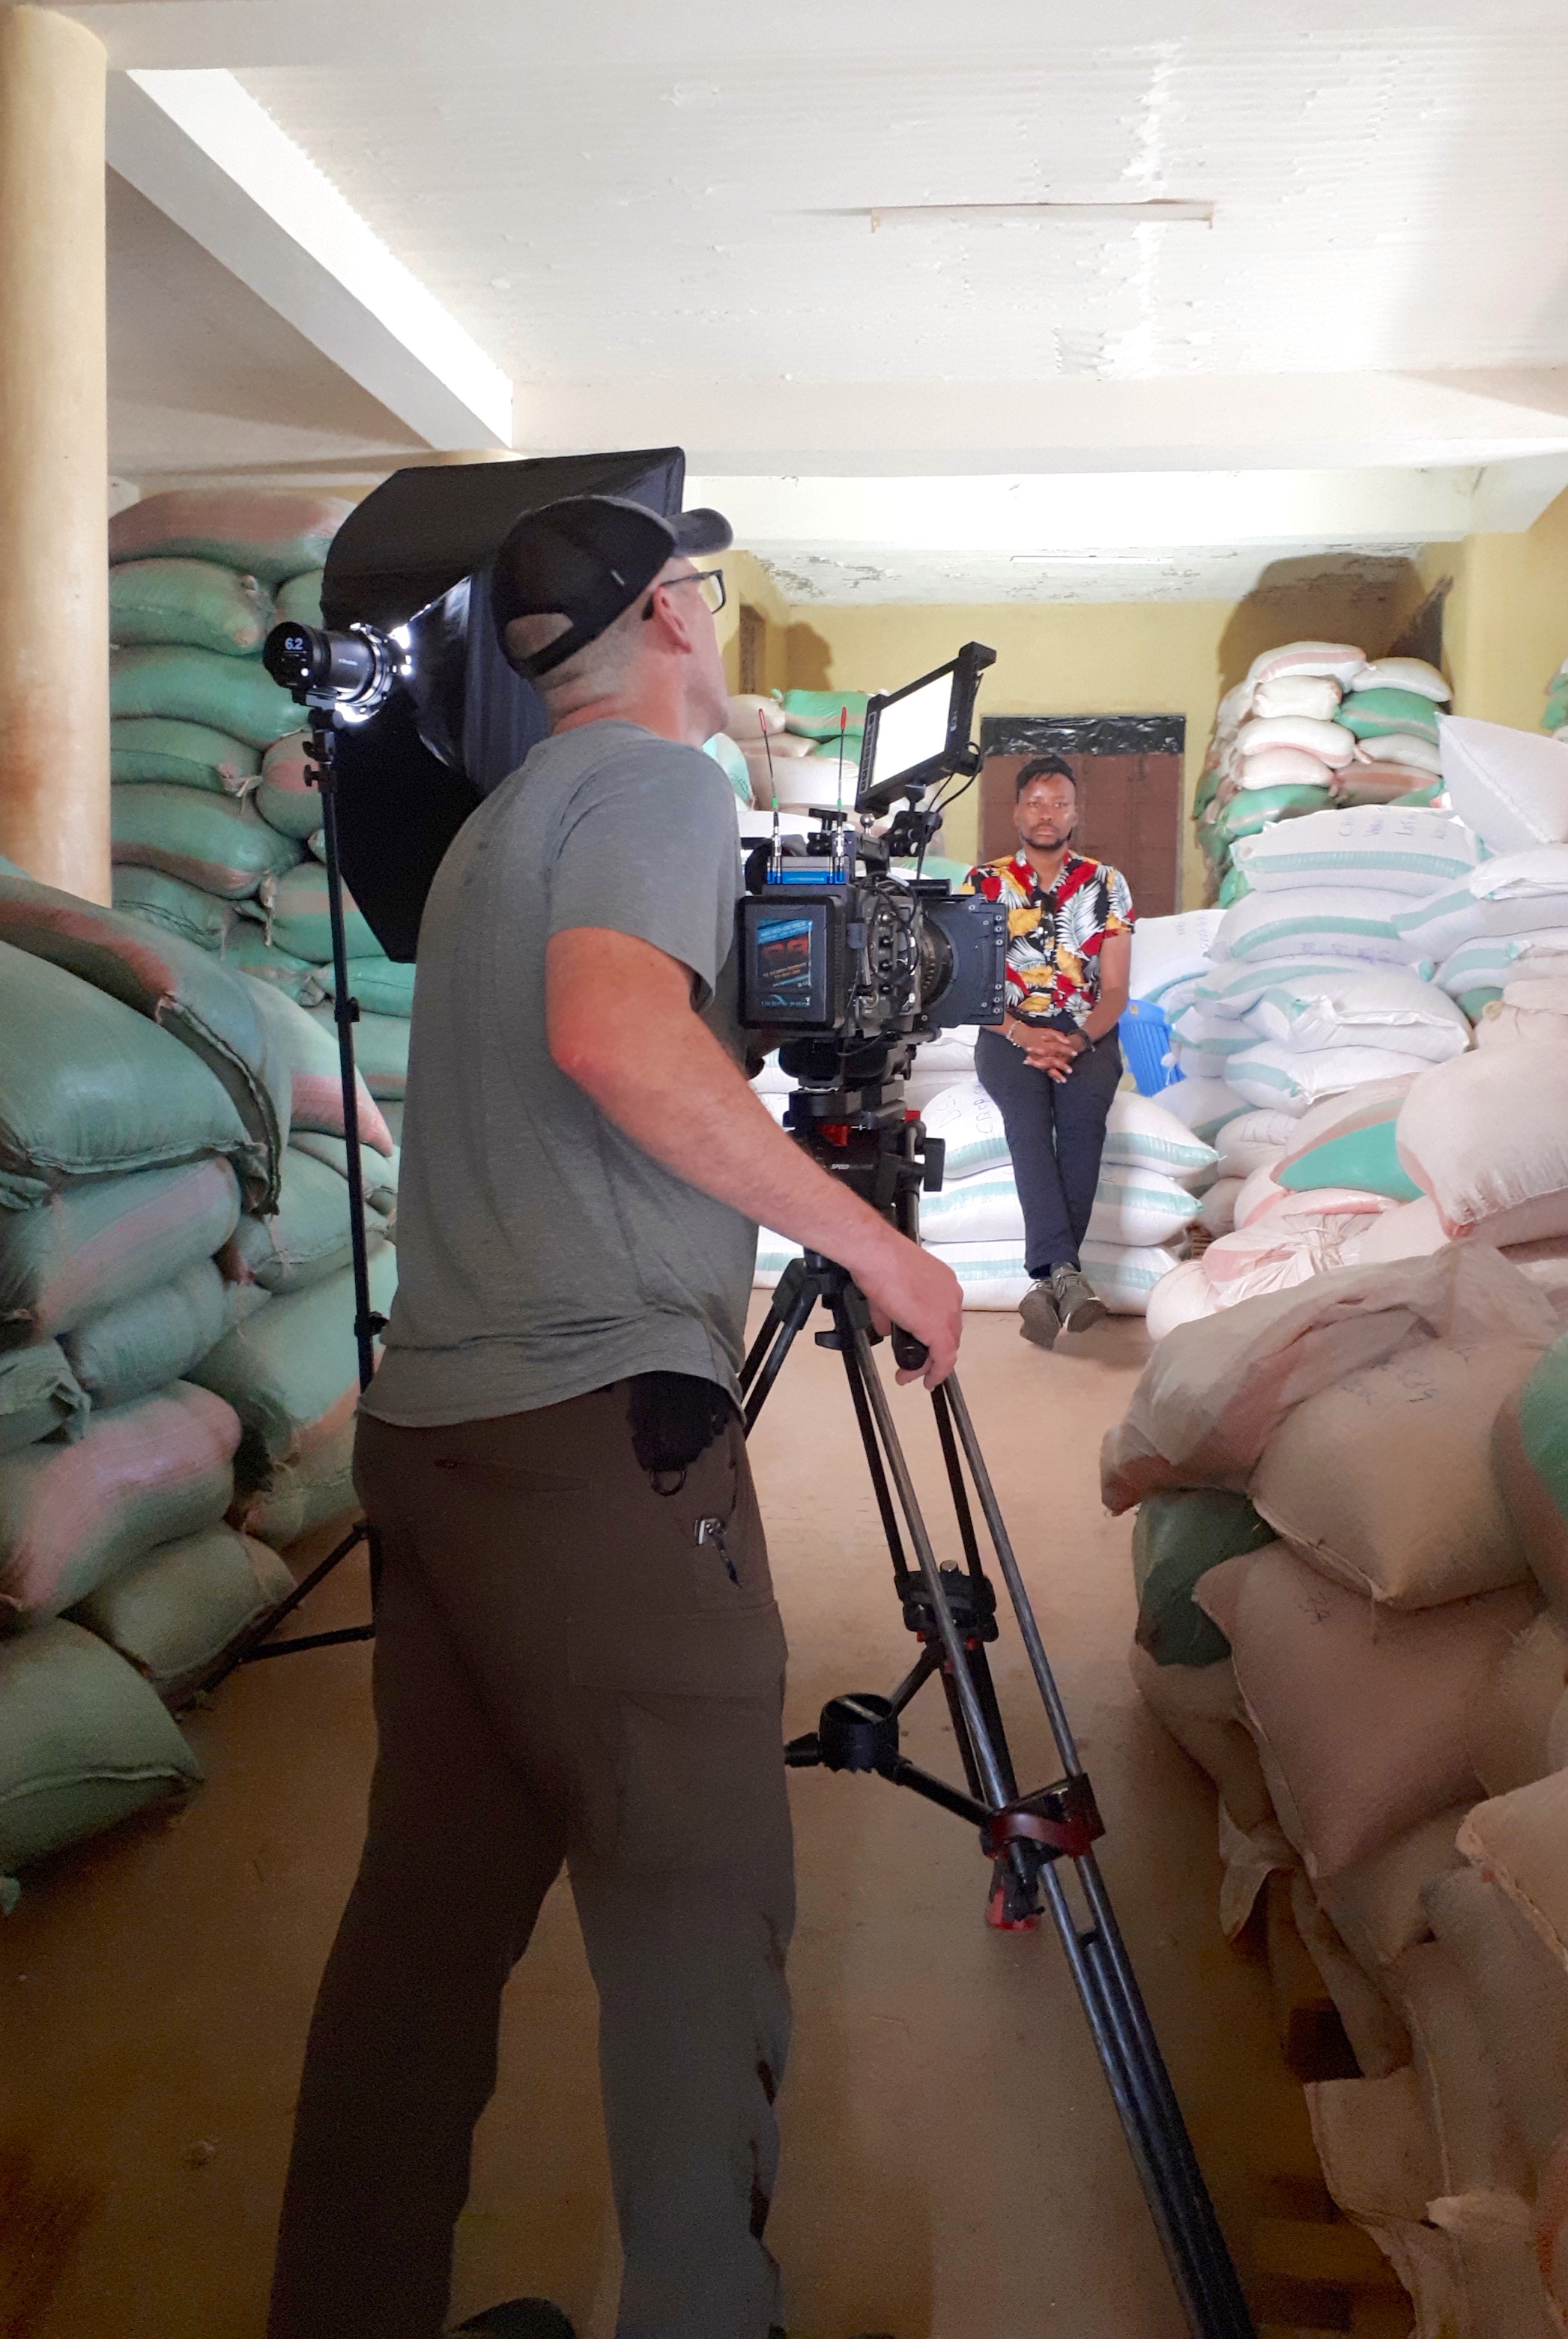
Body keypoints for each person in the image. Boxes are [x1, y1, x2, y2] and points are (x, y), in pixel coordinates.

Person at [264, 493, 963, 2339]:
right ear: (667, 613)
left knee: (421, 1930)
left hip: (434, 1442)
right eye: (705, 594)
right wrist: (873, 1250)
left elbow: (604, 1043)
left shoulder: (497, 824)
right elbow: (613, 1035)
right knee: (690, 1931)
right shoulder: (661, 792)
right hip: (592, 1453)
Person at [964, 754, 1133, 1349]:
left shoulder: (1106, 884)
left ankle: (1046, 1282)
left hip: (1085, 1030)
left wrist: (1079, 1038)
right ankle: (1066, 1274)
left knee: (1084, 1120)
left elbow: (1115, 991)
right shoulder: (982, 884)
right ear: (1015, 810)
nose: (1047, 814)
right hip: (1005, 1029)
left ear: (1075, 813)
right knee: (1029, 1122)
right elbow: (970, 987)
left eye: (1059, 803)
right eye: (1035, 802)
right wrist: (1022, 1033)